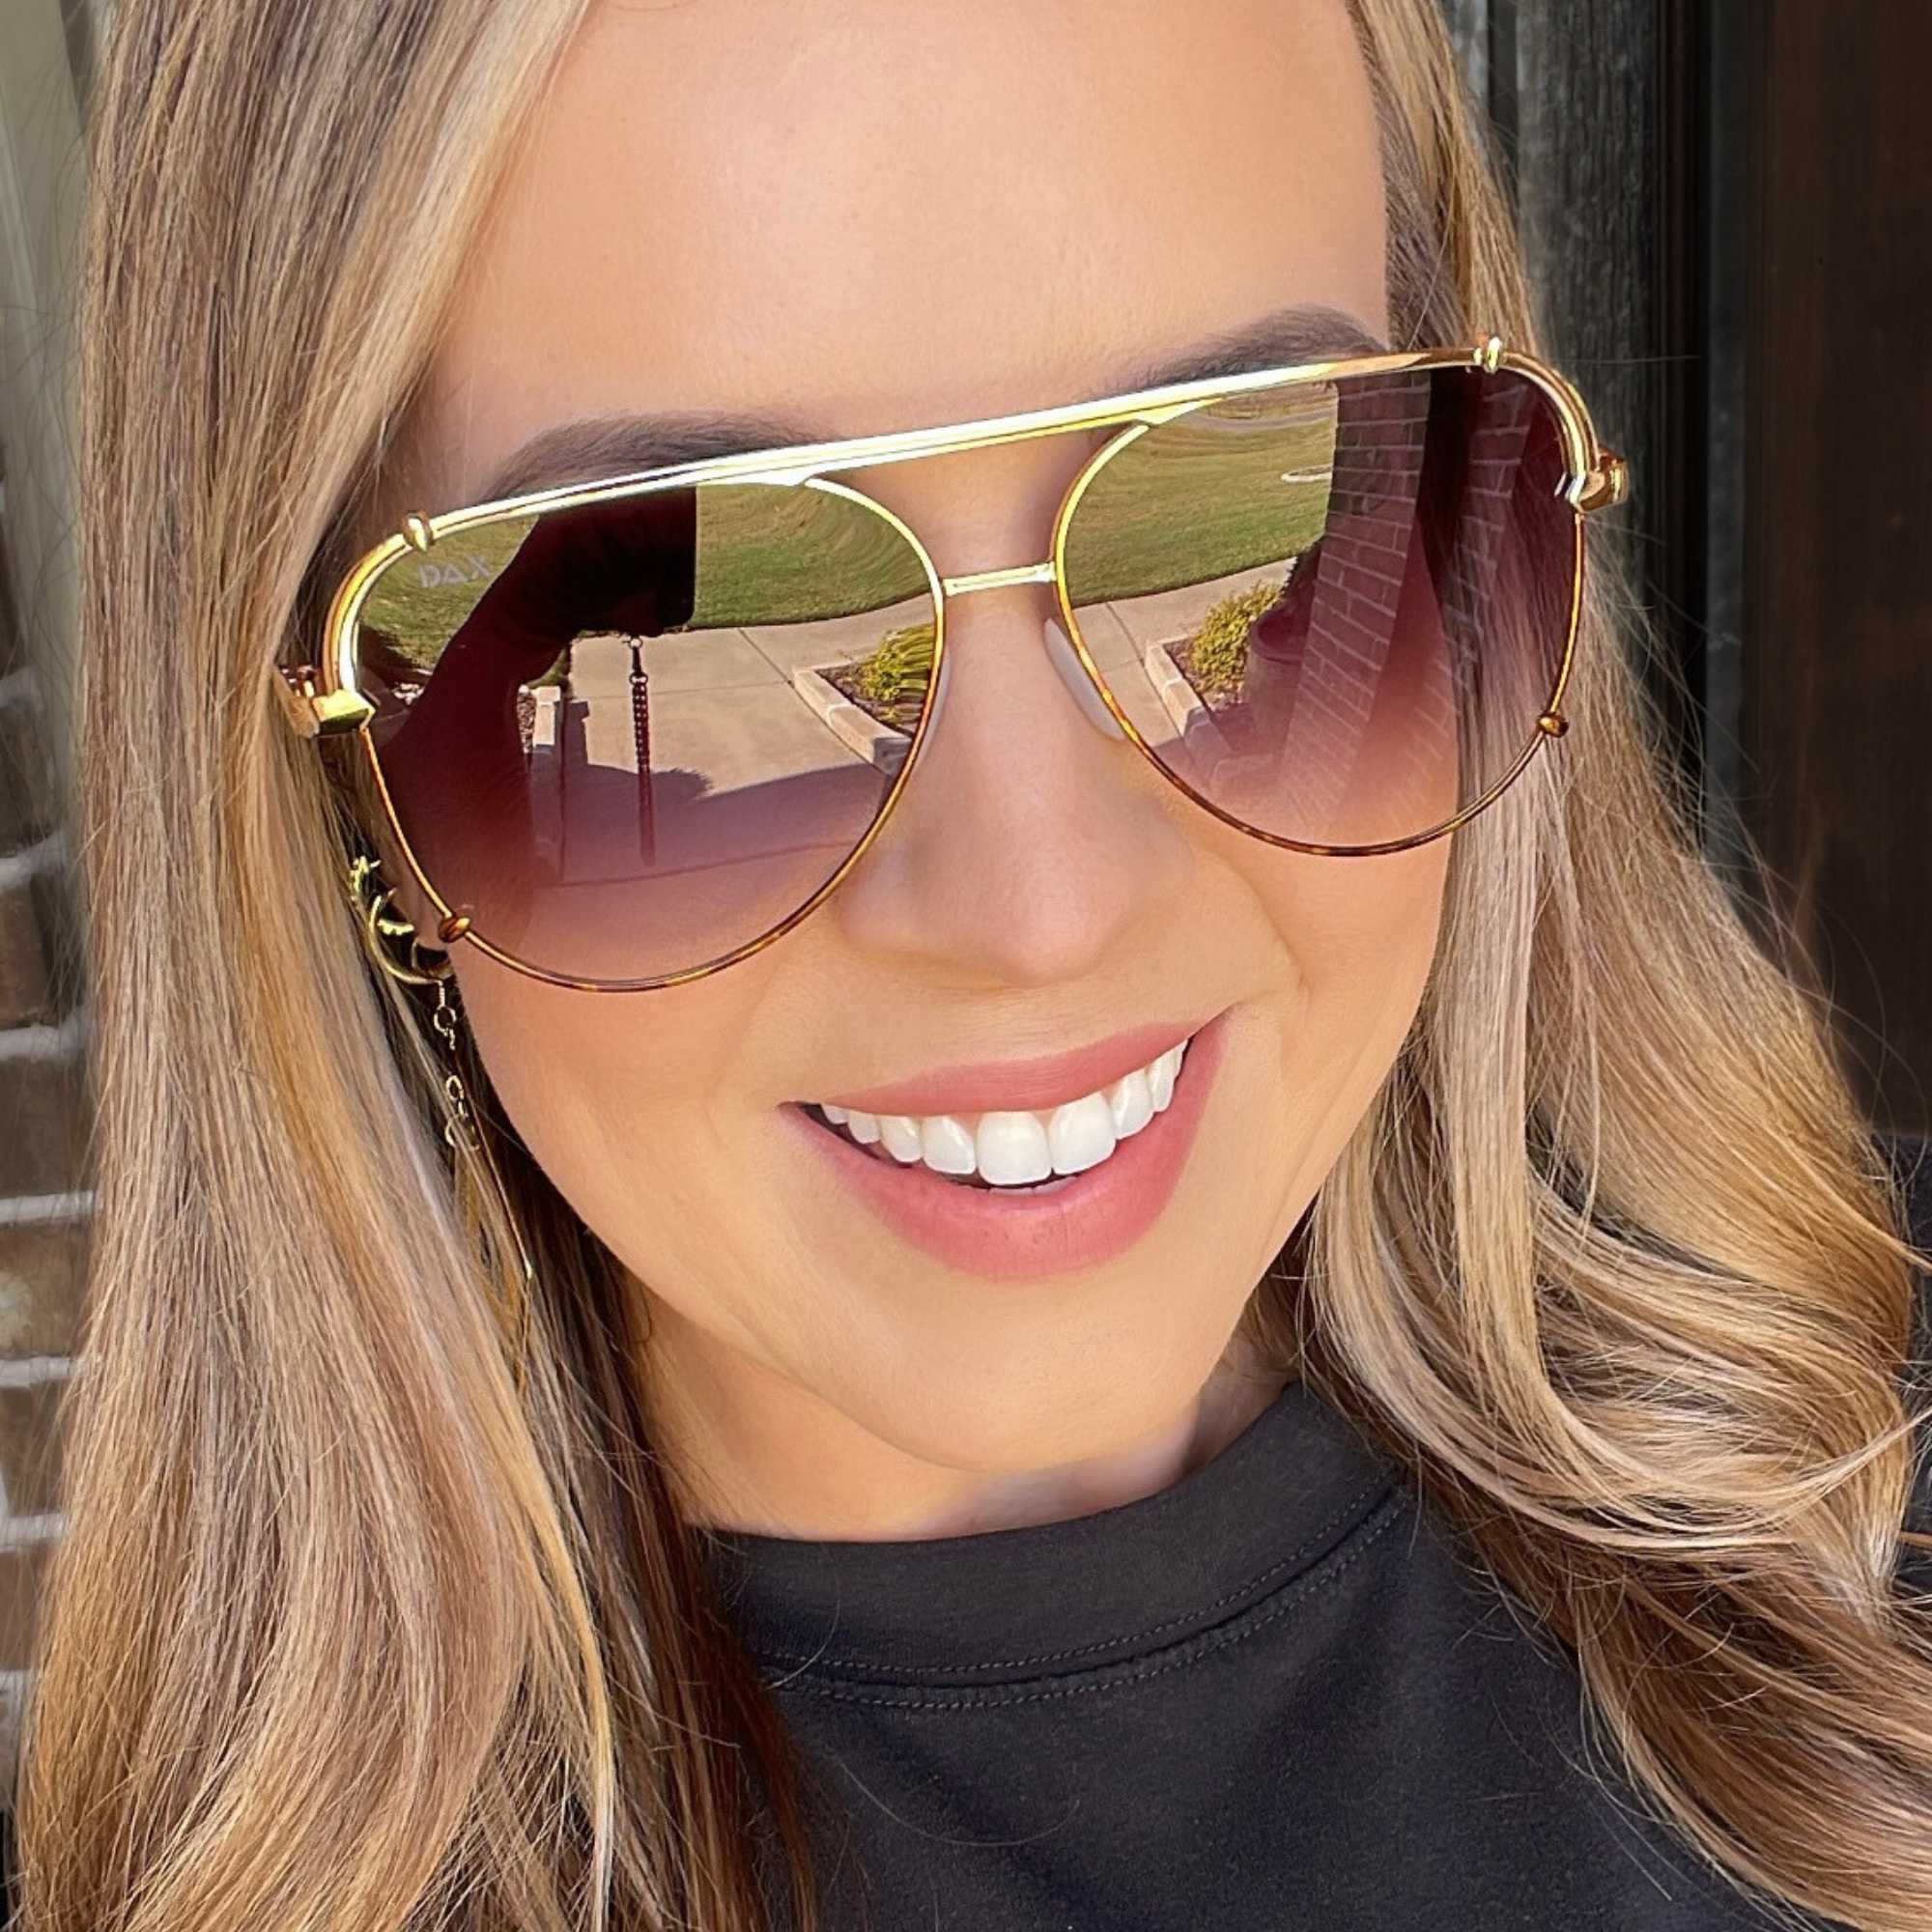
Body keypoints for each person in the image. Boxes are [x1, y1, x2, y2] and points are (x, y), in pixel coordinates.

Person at [8, 1, 1930, 1927]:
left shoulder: (1862, 1518)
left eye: (1255, 523)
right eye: (679, 634)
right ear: (346, 788)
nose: (1041, 906)